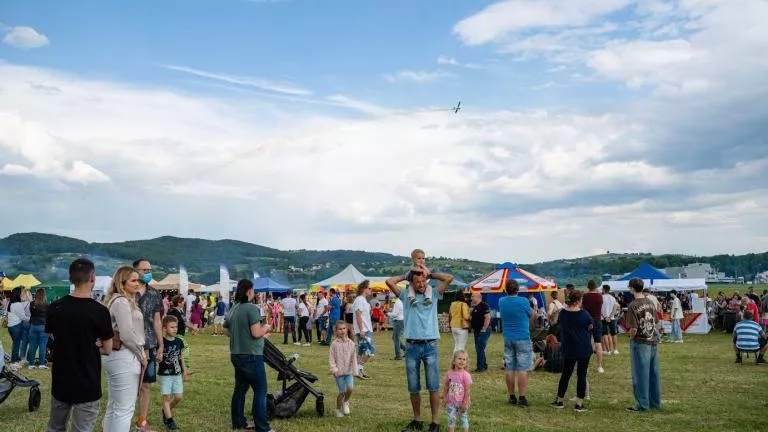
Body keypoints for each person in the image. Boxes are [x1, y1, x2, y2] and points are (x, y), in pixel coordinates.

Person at [46, 258, 114, 432]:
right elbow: (108, 348)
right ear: (93, 277)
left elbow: (53, 336)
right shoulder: (99, 311)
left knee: (55, 427)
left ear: (70, 278)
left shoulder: (55, 307)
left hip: (61, 379)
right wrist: (93, 344)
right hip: (88, 381)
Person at [386, 266, 453, 432]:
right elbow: (389, 282)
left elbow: (448, 278)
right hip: (412, 346)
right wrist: (406, 275)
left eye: (423, 281)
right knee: (413, 386)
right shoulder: (405, 296)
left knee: (433, 386)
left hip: (430, 345)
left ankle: (435, 422)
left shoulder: (435, 294)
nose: (421, 284)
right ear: (412, 283)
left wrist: (430, 274)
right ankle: (417, 419)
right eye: (417, 281)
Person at [224, 279, 273, 431]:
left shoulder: (234, 308)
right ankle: (262, 427)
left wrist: (239, 335)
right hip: (252, 355)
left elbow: (225, 329)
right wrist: (266, 327)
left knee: (240, 389)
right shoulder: (252, 309)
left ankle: (238, 423)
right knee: (260, 391)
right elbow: (256, 332)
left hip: (236, 354)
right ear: (249, 291)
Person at [102, 266, 147, 431]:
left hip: (117, 356)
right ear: (122, 282)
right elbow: (127, 334)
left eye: (138, 280)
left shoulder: (117, 300)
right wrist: (142, 355)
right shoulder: (121, 301)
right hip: (125, 356)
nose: (137, 284)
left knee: (115, 405)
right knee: (124, 409)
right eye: (133, 280)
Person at [133, 258, 165, 432]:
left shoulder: (154, 294)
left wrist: (161, 345)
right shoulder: (127, 292)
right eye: (144, 270)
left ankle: (141, 422)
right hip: (130, 345)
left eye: (149, 270)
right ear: (135, 270)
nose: (148, 272)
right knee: (130, 385)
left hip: (150, 343)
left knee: (146, 385)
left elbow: (157, 321)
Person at [550, 291, 592, 413]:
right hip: (583, 347)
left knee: (565, 374)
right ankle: (579, 404)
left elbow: (558, 324)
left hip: (568, 347)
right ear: (578, 301)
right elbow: (590, 327)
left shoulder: (563, 313)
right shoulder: (584, 314)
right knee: (581, 375)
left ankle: (559, 400)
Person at [625, 278, 662, 412]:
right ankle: (655, 402)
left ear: (632, 288)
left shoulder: (633, 305)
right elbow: (656, 322)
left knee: (640, 375)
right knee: (654, 374)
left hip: (640, 342)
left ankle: (642, 404)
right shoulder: (650, 302)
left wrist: (631, 337)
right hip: (652, 341)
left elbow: (633, 328)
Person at [498, 279, 533, 408]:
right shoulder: (524, 301)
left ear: (506, 289)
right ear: (518, 289)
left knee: (510, 368)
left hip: (508, 337)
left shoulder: (501, 301)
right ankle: (522, 398)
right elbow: (531, 315)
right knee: (522, 368)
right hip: (522, 337)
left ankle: (512, 396)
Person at [158, 315, 187, 430]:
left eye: (176, 327)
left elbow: (181, 357)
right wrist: (158, 358)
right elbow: (157, 356)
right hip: (165, 374)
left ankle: (165, 409)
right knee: (166, 397)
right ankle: (169, 420)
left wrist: (184, 370)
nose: (175, 329)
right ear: (164, 328)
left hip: (177, 374)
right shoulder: (160, 342)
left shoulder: (179, 341)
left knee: (178, 397)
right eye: (172, 327)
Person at [328, 320, 357, 418]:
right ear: (336, 331)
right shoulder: (334, 344)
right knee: (342, 392)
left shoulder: (351, 344)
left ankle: (345, 402)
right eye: (340, 329)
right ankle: (337, 409)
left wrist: (355, 371)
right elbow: (331, 358)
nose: (342, 331)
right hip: (339, 372)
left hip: (348, 371)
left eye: (344, 328)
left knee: (350, 388)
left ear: (347, 329)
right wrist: (334, 369)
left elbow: (354, 358)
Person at [442, 350, 472, 432]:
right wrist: (444, 398)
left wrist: (465, 403)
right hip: (451, 402)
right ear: (454, 361)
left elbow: (467, 390)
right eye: (459, 358)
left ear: (466, 362)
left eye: (464, 359)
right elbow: (446, 387)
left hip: (462, 402)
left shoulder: (466, 375)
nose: (462, 361)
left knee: (463, 419)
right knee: (451, 420)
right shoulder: (449, 373)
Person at [352, 281, 375, 379]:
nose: (371, 290)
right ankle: (357, 369)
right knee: (369, 351)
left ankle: (359, 370)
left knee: (362, 352)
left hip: (365, 329)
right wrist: (361, 329)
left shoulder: (362, 300)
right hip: (364, 329)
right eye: (369, 288)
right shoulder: (360, 299)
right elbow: (358, 314)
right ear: (364, 289)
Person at [581, 280, 604, 373]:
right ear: (595, 287)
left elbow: (582, 307)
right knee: (598, 343)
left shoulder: (585, 296)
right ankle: (600, 366)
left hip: (587, 321)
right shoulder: (599, 296)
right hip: (598, 321)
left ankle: (586, 367)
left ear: (588, 287)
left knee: (587, 343)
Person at [6, 287, 30, 369]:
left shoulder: (11, 303)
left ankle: (15, 358)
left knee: (15, 344)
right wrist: (32, 318)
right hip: (16, 326)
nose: (22, 294)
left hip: (11, 326)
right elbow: (23, 317)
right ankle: (14, 361)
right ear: (18, 294)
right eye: (22, 293)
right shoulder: (17, 304)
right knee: (16, 344)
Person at [27, 288, 49, 369]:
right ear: (44, 295)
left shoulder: (32, 304)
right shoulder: (47, 304)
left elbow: (31, 314)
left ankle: (31, 364)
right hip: (43, 326)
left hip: (33, 326)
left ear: (36, 295)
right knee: (42, 345)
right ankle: (41, 364)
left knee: (32, 345)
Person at [469, 293, 490, 372]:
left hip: (483, 330)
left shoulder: (484, 305)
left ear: (478, 297)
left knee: (480, 348)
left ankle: (480, 367)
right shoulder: (475, 307)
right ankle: (483, 365)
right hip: (477, 331)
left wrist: (484, 328)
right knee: (479, 348)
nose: (471, 298)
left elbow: (487, 317)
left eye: (472, 296)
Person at [601, 285, 620, 354]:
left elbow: (600, 309)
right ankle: (615, 349)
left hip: (603, 318)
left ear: (604, 289)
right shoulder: (613, 298)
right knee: (613, 334)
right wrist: (610, 316)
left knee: (605, 334)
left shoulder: (601, 297)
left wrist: (605, 317)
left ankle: (607, 350)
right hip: (612, 318)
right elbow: (615, 309)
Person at [389, 295, 405, 360]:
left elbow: (394, 314)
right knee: (395, 337)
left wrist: (388, 313)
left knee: (396, 338)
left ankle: (398, 355)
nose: (391, 299)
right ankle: (406, 350)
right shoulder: (401, 301)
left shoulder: (397, 302)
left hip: (399, 321)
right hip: (402, 320)